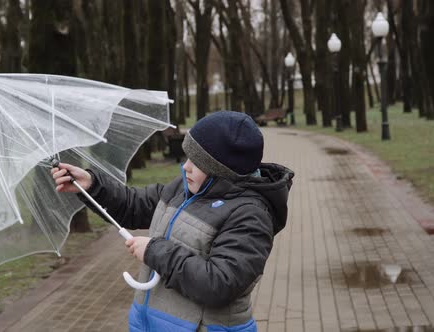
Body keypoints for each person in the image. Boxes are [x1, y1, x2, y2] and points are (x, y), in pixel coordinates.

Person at [52, 110, 294, 332]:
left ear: (222, 170)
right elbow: (133, 205)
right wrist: (92, 185)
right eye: (188, 157)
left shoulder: (250, 215)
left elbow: (220, 283)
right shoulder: (183, 188)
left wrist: (155, 251)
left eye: (197, 162)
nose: (185, 167)